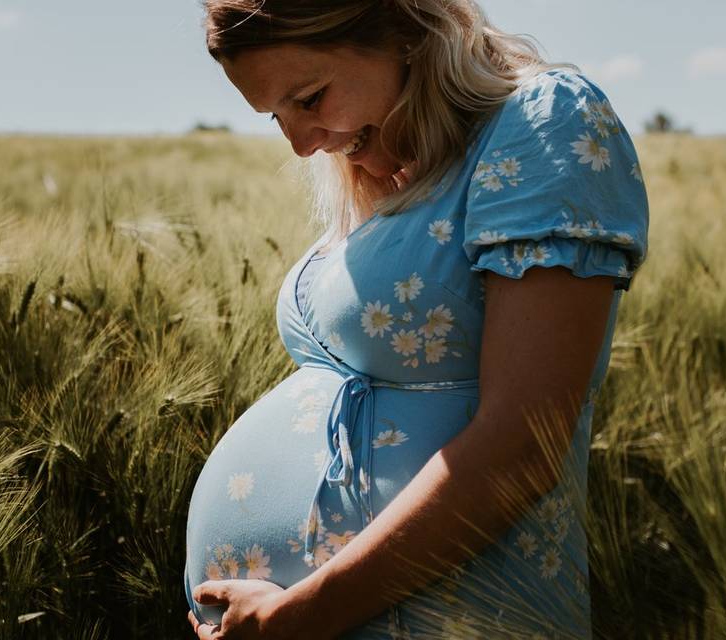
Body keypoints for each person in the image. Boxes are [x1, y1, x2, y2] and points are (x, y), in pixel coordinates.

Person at [184, 1, 649, 638]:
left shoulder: (544, 121)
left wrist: (298, 616)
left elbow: (523, 446)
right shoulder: (419, 178)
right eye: (276, 116)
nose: (298, 145)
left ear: (402, 32)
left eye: (311, 98)